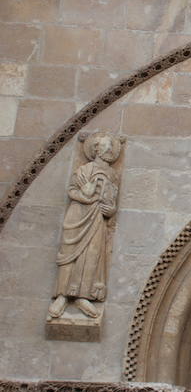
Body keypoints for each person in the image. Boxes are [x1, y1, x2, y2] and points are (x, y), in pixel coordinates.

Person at [48, 132, 120, 319]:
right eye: (105, 146)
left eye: (111, 147)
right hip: (78, 215)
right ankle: (62, 296)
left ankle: (83, 295)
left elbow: (112, 199)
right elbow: (72, 190)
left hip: (98, 218)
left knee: (93, 255)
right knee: (69, 254)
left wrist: (110, 210)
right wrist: (84, 195)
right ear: (96, 149)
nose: (109, 150)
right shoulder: (84, 170)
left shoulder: (112, 174)